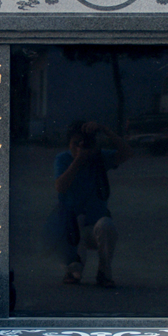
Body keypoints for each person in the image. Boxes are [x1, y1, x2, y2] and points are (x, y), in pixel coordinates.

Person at [54, 120, 132, 287]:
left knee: (106, 225)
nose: (79, 148)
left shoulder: (99, 158)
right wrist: (78, 161)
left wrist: (105, 129)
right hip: (71, 228)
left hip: (95, 227)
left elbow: (127, 153)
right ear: (68, 144)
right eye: (75, 144)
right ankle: (73, 270)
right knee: (73, 223)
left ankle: (104, 272)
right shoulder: (63, 159)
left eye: (84, 144)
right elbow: (60, 187)